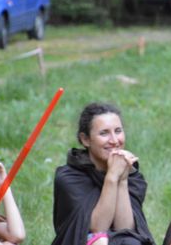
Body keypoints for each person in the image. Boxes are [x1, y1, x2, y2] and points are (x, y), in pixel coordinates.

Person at [51, 103, 155, 245]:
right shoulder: (69, 178)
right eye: (104, 133)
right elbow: (97, 229)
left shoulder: (133, 175)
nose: (114, 141)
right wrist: (112, 177)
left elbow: (125, 229)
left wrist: (122, 180)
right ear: (85, 139)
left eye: (118, 131)